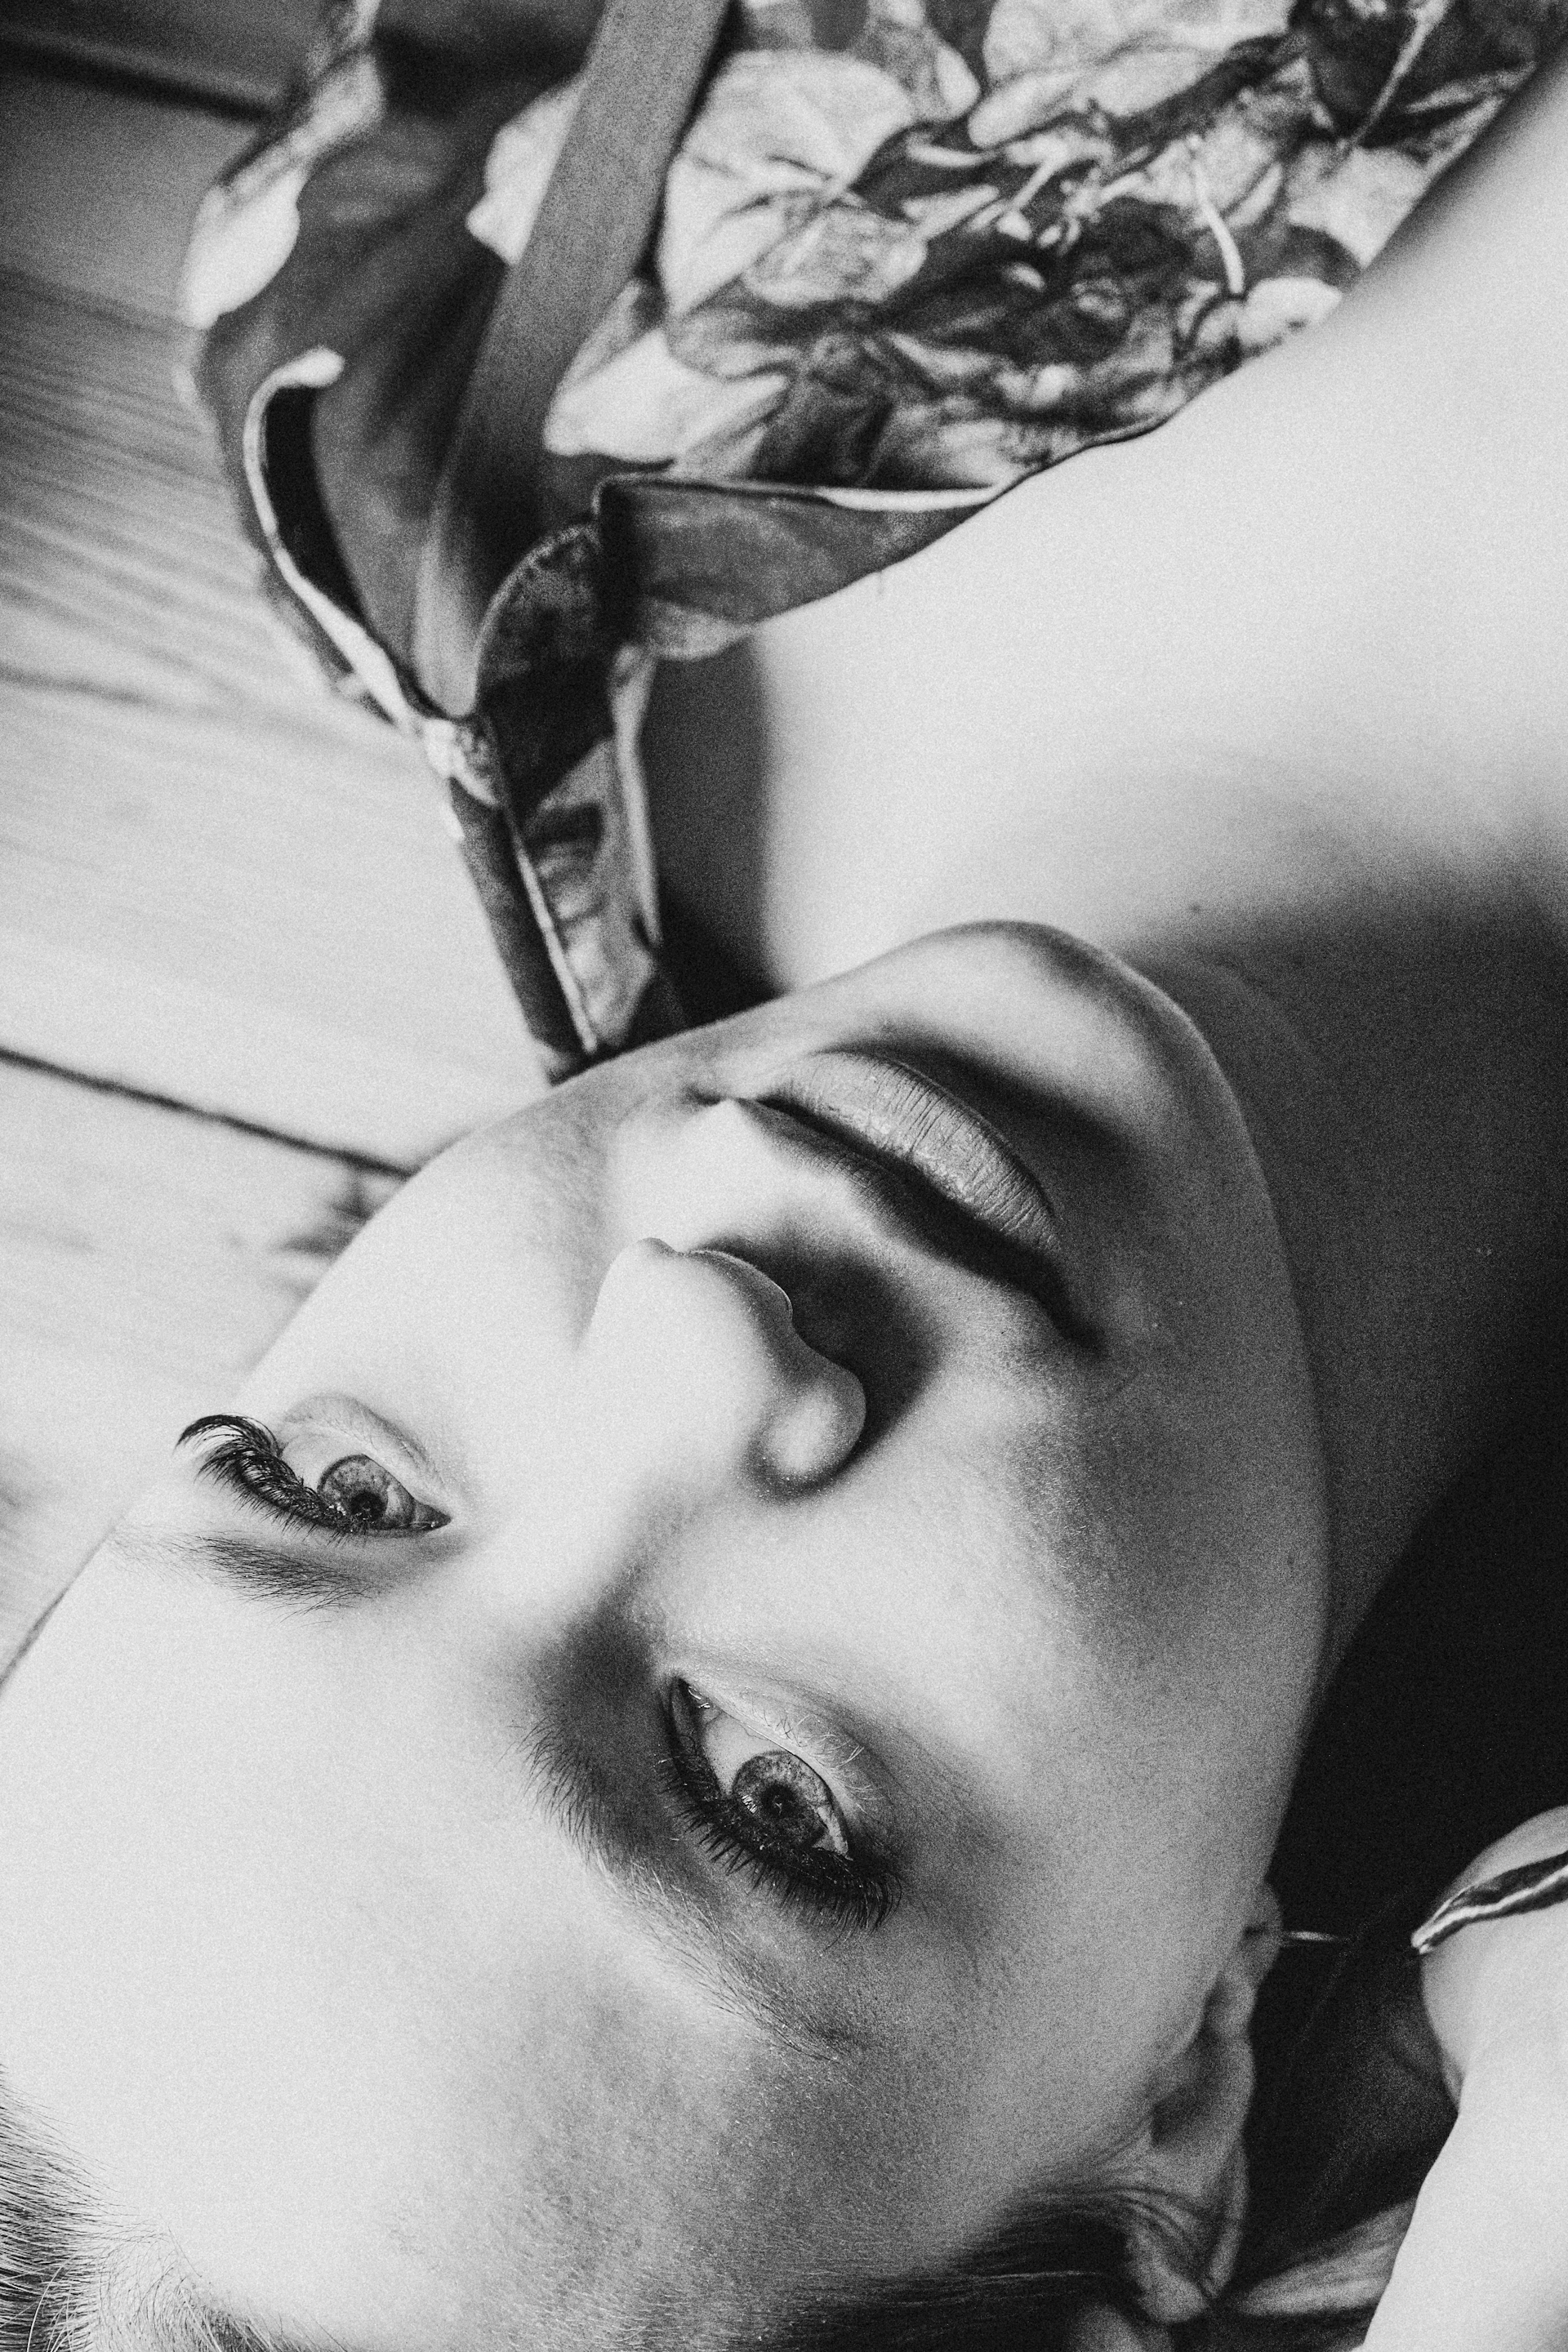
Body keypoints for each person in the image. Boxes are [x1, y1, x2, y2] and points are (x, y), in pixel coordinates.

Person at [2, 21, 1567, 2352]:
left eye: (325, 1485)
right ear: (1176, 2123)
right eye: (770, 1802)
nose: (691, 1332)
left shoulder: (448, 381)